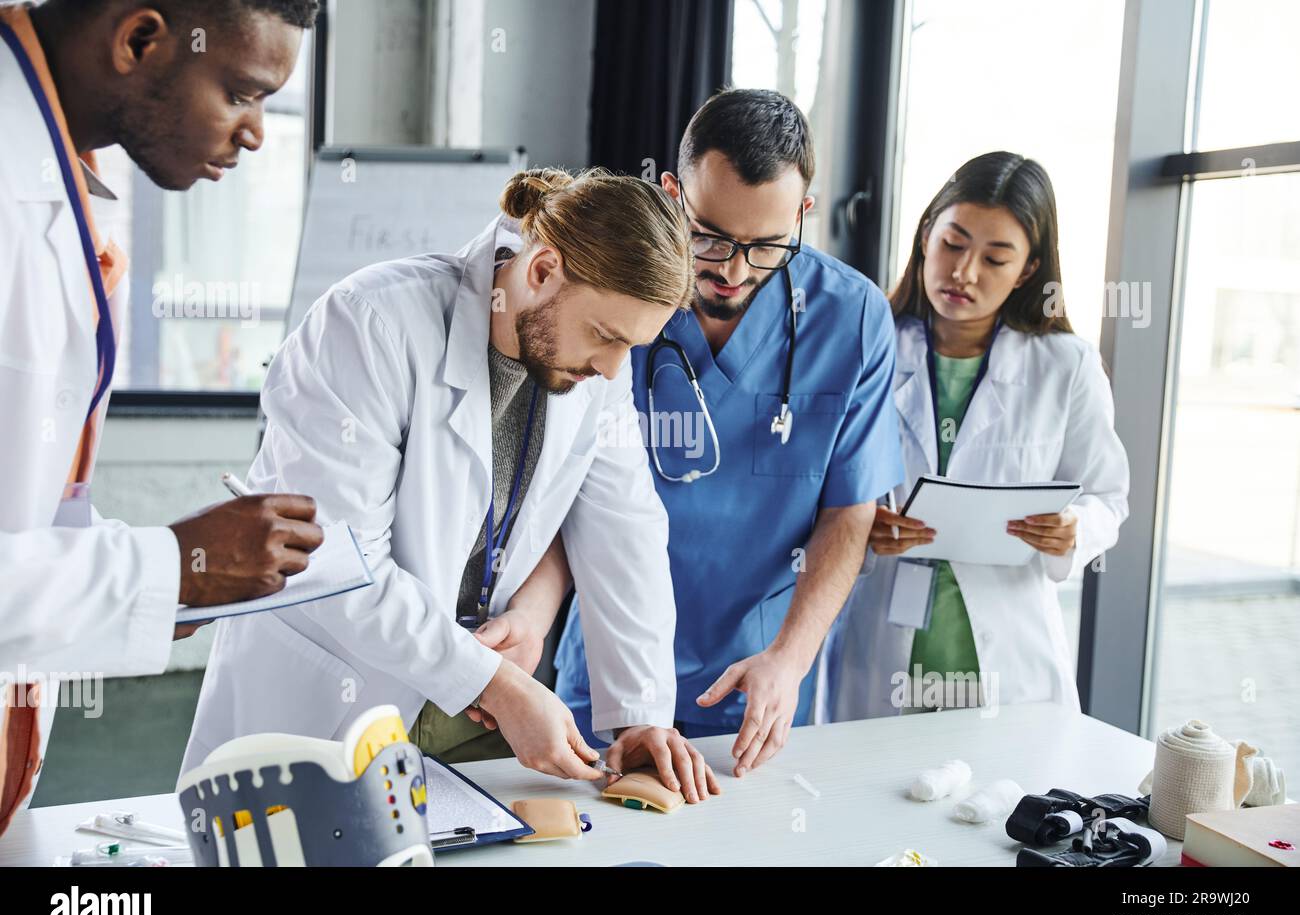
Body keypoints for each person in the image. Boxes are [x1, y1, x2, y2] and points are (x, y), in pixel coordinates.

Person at [183, 167, 721, 802]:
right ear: (542, 270)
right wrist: (496, 682)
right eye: (605, 336)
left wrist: (641, 714)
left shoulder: (598, 369)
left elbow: (624, 525)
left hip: (470, 709)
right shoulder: (369, 324)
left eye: (630, 346)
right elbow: (338, 563)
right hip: (337, 693)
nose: (611, 369)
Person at [0, 0, 324, 837]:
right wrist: (172, 568)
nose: (257, 133)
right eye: (241, 92)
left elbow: (29, 514)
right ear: (139, 39)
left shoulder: (62, 174)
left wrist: (178, 577)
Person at [554, 89, 905, 776]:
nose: (732, 271)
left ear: (802, 213)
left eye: (767, 246)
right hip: (608, 659)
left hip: (755, 678)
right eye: (708, 235)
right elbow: (568, 489)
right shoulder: (615, 297)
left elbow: (849, 511)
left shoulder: (854, 317)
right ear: (671, 195)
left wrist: (789, 660)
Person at [826, 151, 1130, 719]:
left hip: (1008, 652)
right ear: (925, 236)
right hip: (886, 642)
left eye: (995, 258)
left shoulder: (1065, 365)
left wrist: (1074, 529)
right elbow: (822, 487)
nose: (964, 272)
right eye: (953, 244)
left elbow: (1108, 497)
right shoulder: (866, 347)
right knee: (875, 771)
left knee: (1006, 776)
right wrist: (861, 527)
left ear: (1028, 269)